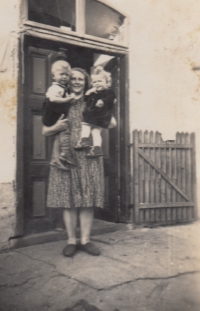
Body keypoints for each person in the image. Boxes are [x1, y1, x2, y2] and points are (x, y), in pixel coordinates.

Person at [42, 67, 104, 257]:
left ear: (85, 82)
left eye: (80, 79)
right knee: (68, 200)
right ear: (68, 82)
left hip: (88, 155)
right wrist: (57, 127)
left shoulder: (91, 100)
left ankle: (85, 240)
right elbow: (45, 131)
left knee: (87, 199)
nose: (77, 82)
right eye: (73, 79)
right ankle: (71, 240)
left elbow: (111, 123)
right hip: (66, 154)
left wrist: (101, 116)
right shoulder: (60, 102)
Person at [74, 66, 117, 158]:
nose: (97, 84)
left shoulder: (108, 91)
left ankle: (84, 139)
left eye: (100, 81)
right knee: (96, 131)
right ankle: (97, 148)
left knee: (85, 124)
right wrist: (89, 92)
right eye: (95, 82)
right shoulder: (94, 92)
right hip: (99, 118)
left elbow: (111, 99)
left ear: (107, 82)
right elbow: (86, 99)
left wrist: (103, 102)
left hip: (100, 115)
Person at [43, 60, 76, 170]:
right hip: (52, 113)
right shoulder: (55, 88)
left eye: (67, 75)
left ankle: (57, 158)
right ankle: (65, 153)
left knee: (59, 134)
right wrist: (67, 99)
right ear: (53, 76)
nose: (64, 77)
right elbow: (52, 99)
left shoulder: (63, 88)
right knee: (63, 129)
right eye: (61, 74)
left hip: (56, 112)